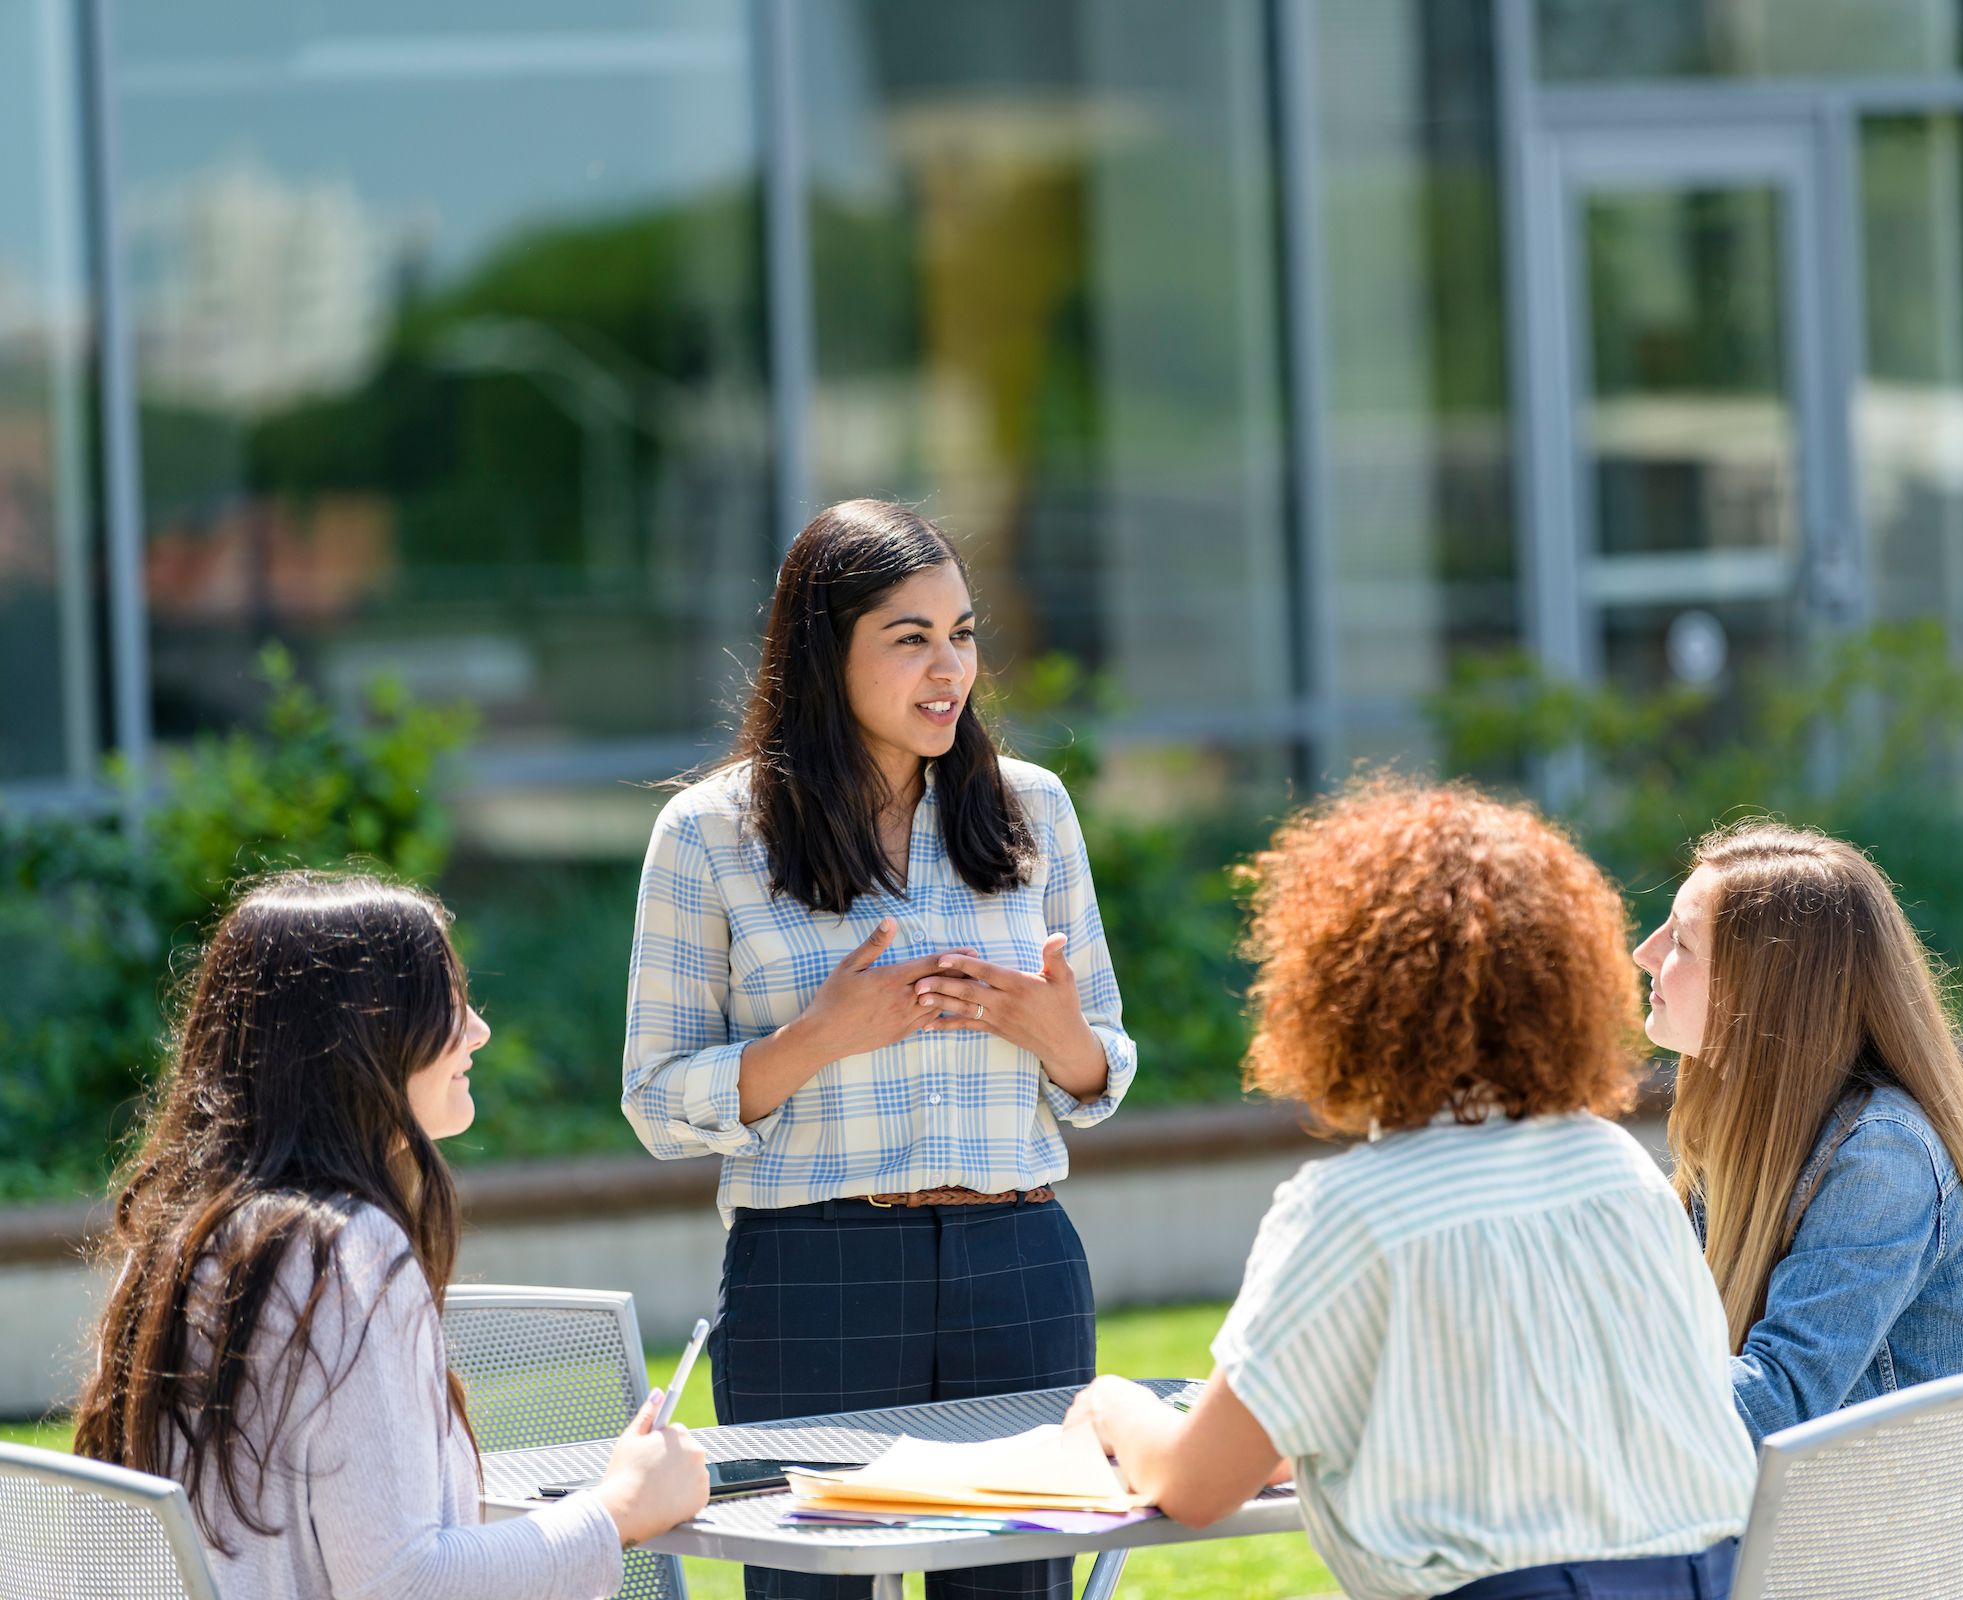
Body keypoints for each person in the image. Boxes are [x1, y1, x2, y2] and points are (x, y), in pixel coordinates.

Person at [1065, 780, 1756, 1600]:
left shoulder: (1353, 1208)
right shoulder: (1616, 1166)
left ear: (1337, 991)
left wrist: (1112, 1405)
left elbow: (1194, 1486)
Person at [622, 499, 1137, 1600]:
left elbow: (1100, 1072)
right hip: (815, 1272)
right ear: (823, 652)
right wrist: (817, 1039)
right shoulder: (710, 834)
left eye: (961, 632)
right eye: (911, 638)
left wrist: (1062, 1039)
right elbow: (657, 1103)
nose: (949, 666)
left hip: (1022, 1265)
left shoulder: (1030, 807)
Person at [74, 873, 708, 1600]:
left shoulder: (179, 1244)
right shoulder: (344, 1254)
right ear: (359, 1036)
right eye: (446, 1002)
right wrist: (618, 1510)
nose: (479, 1030)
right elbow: (405, 1584)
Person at [1630, 818, 1963, 1445]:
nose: (1646, 952)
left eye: (1682, 942)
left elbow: (1777, 1405)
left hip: (1870, 1539)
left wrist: (1584, 1395)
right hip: (1784, 1527)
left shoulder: (1880, 1158)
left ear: (1766, 989)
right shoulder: (1748, 1137)